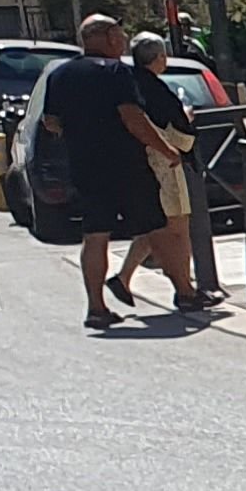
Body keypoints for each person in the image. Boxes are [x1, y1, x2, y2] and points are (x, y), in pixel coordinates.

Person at [32, 17, 171, 333]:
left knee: (95, 235)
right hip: (126, 163)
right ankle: (185, 292)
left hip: (85, 165)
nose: (123, 39)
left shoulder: (61, 74)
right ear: (109, 36)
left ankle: (96, 307)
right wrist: (166, 150)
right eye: (120, 33)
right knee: (158, 225)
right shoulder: (117, 72)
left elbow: (51, 121)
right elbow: (133, 117)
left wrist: (79, 131)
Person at [109, 31, 217, 317]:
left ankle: (123, 278)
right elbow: (181, 135)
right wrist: (187, 118)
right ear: (158, 58)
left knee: (154, 227)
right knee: (177, 231)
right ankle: (186, 292)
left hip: (135, 163)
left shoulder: (127, 85)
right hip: (163, 163)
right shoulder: (157, 90)